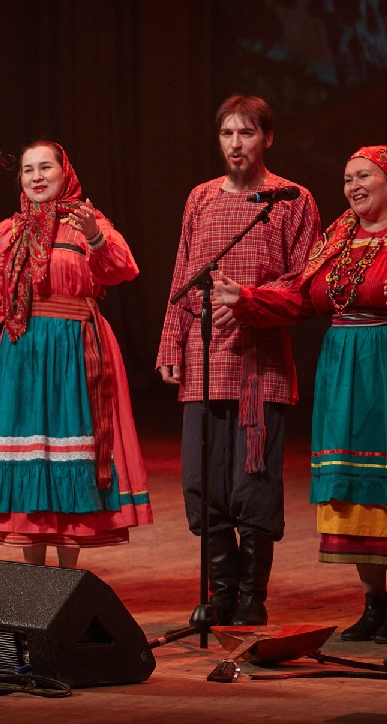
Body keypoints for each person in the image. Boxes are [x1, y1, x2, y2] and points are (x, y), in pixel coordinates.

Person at [0, 140, 152, 567]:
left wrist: (95, 235)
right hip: (24, 351)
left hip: (75, 350)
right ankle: (34, 580)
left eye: (45, 167)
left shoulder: (86, 221)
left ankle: (65, 579)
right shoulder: (8, 232)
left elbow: (121, 269)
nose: (36, 176)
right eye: (28, 169)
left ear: (65, 173)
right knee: (28, 450)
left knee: (72, 448)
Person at [157, 95, 320, 625]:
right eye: (227, 133)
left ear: (266, 138)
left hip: (259, 361)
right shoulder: (201, 197)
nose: (235, 143)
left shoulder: (292, 199)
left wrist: (247, 301)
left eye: (246, 133)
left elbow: (303, 284)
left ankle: (252, 596)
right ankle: (220, 592)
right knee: (203, 479)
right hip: (204, 358)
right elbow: (184, 275)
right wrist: (171, 343)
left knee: (253, 482)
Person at [213, 145, 387, 641]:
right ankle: (376, 602)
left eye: (364, 176)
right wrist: (245, 297)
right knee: (350, 484)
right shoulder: (337, 236)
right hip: (343, 369)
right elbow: (297, 296)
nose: (353, 186)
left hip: (383, 361)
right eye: (348, 178)